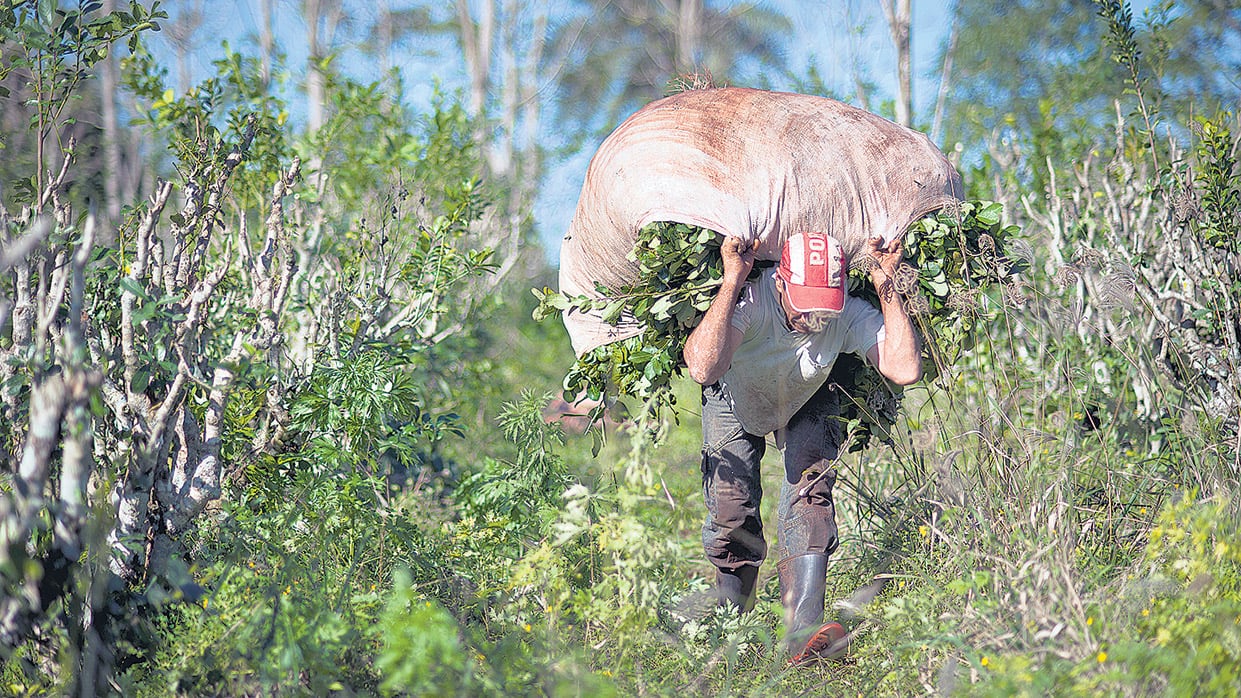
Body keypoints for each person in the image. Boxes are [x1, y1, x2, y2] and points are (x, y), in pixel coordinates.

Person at [681, 231, 922, 665]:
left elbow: (903, 368)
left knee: (811, 493)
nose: (814, 319)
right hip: (733, 395)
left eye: (822, 308)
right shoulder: (752, 300)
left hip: (804, 396)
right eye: (803, 304)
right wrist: (732, 279)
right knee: (731, 512)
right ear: (779, 283)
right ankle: (731, 632)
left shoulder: (844, 313)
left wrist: (886, 284)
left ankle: (803, 638)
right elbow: (702, 366)